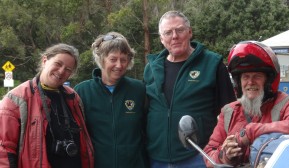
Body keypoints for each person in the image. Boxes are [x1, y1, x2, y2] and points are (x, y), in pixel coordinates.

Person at [143, 10, 236, 167]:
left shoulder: (212, 64)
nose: (174, 36)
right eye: (168, 33)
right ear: (161, 39)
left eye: (179, 30)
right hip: (157, 157)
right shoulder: (151, 68)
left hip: (199, 156)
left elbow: (231, 112)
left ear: (190, 32)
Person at [203, 41, 289, 167]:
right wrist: (226, 155)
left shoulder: (287, 104)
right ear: (238, 82)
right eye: (245, 77)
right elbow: (208, 155)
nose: (250, 82)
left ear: (268, 81)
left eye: (257, 76)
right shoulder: (229, 112)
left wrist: (250, 132)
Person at [0, 43, 94, 168]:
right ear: (45, 60)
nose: (61, 71)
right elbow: (4, 148)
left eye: (68, 69)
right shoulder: (17, 99)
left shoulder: (73, 97)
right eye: (58, 64)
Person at [74, 32, 149, 168]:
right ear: (102, 59)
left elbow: (148, 128)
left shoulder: (139, 89)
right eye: (113, 59)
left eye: (123, 59)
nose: (119, 65)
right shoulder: (82, 91)